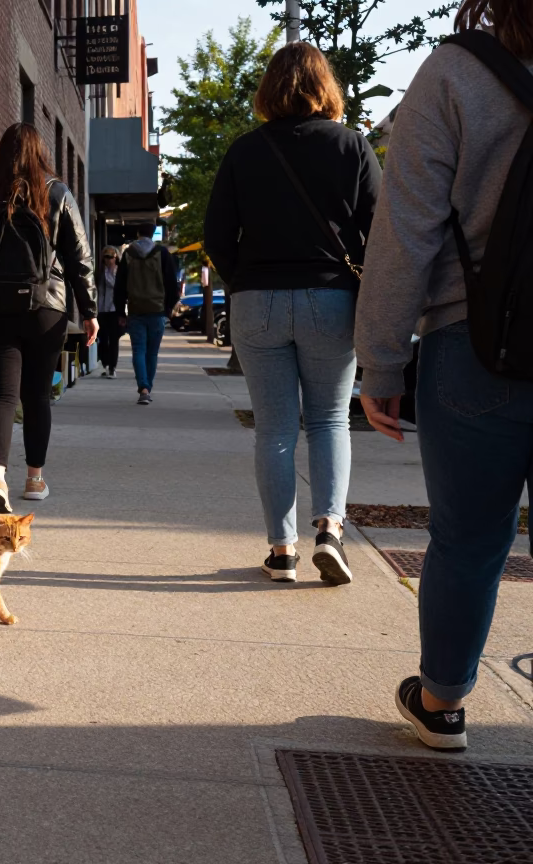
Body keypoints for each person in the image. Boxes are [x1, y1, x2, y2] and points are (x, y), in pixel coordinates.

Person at [356, 0, 533, 751]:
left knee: (469, 537)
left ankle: (442, 701)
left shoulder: (457, 72)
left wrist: (382, 360)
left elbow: (407, 227)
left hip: (477, 342)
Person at [204, 42, 381, 584]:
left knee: (274, 430)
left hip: (258, 299)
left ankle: (282, 551)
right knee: (329, 420)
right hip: (331, 299)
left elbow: (216, 235)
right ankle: (329, 527)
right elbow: (382, 230)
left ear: (268, 90)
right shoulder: (353, 146)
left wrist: (244, 282)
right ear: (326, 86)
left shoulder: (244, 151)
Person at [0, 123, 98, 515]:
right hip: (46, 310)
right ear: (39, 152)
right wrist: (89, 311)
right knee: (36, 396)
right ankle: (34, 479)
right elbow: (79, 258)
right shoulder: (56, 193)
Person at [113, 224, 180, 404]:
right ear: (153, 234)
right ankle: (147, 388)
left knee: (138, 350)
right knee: (152, 353)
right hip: (157, 310)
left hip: (135, 309)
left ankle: (143, 387)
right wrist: (168, 309)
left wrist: (120, 311)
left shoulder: (128, 254)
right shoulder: (162, 253)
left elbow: (119, 286)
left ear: (137, 234)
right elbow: (172, 284)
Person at [96, 246, 122, 378]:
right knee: (102, 339)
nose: (108, 260)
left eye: (111, 257)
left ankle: (112, 367)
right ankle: (105, 364)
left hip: (114, 309)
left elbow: (117, 287)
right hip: (101, 309)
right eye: (106, 257)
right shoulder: (99, 271)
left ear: (116, 258)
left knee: (113, 340)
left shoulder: (118, 272)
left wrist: (110, 273)